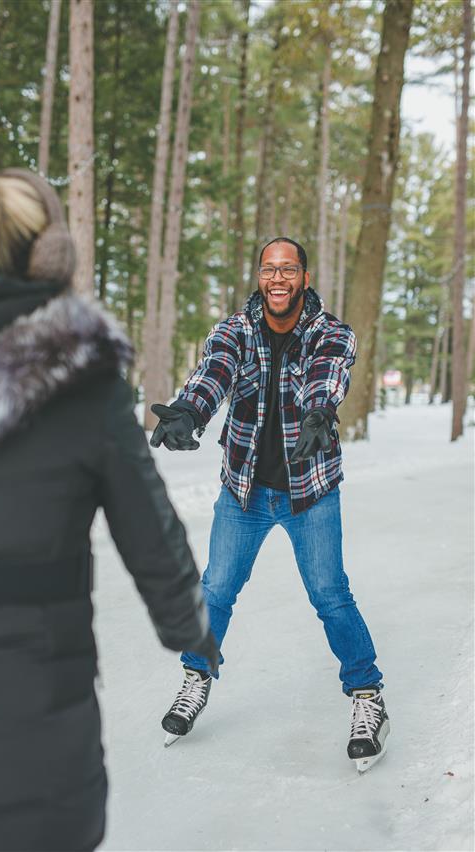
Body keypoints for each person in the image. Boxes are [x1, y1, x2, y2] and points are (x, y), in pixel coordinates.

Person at [0, 158, 218, 851]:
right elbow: (152, 533)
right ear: (46, 258)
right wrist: (190, 627)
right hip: (38, 731)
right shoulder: (82, 378)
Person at [150, 237, 389, 771]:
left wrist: (319, 415)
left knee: (330, 594)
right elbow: (216, 369)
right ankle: (196, 678)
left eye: (288, 269)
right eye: (268, 269)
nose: (277, 278)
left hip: (310, 492)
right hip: (245, 492)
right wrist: (190, 410)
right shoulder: (235, 330)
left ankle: (368, 698)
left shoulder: (332, 333)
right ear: (259, 277)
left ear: (304, 276)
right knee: (215, 587)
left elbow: (328, 373)